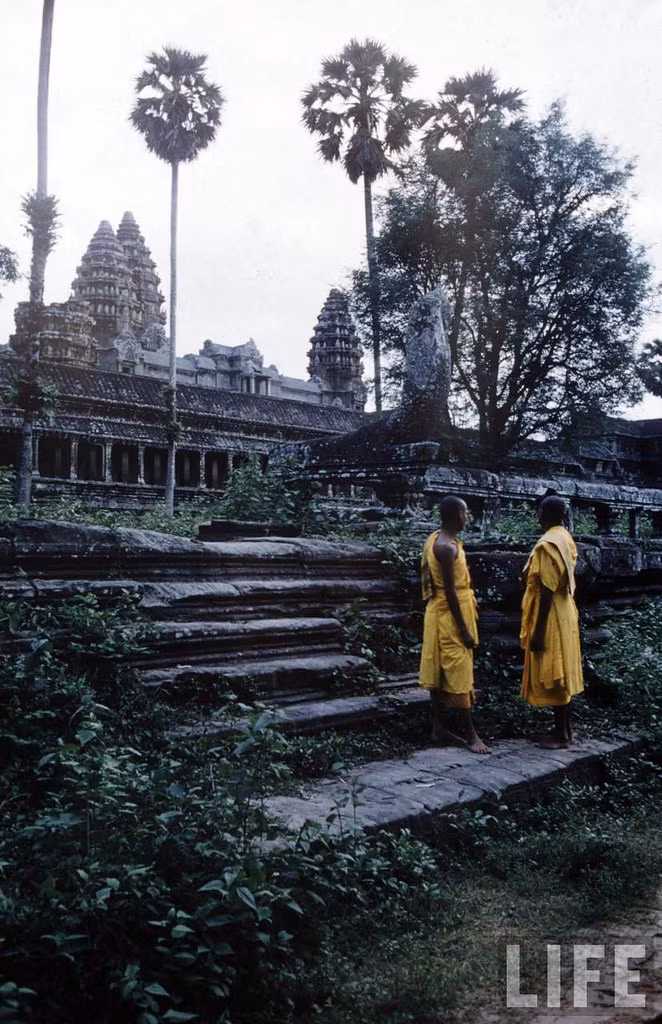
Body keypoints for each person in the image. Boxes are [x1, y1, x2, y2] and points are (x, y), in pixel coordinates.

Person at [419, 495, 490, 754]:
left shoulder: (439, 539)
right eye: (465, 512)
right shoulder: (446, 547)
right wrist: (463, 630)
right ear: (458, 515)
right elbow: (449, 591)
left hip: (440, 610)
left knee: (439, 668)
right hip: (449, 613)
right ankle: (471, 735)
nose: (467, 517)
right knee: (459, 671)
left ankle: (438, 728)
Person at [520, 494, 584, 747]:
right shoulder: (564, 537)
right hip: (565, 608)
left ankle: (561, 734)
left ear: (541, 515)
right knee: (561, 670)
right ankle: (565, 730)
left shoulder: (548, 544)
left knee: (554, 670)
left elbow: (547, 589)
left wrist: (538, 631)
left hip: (551, 614)